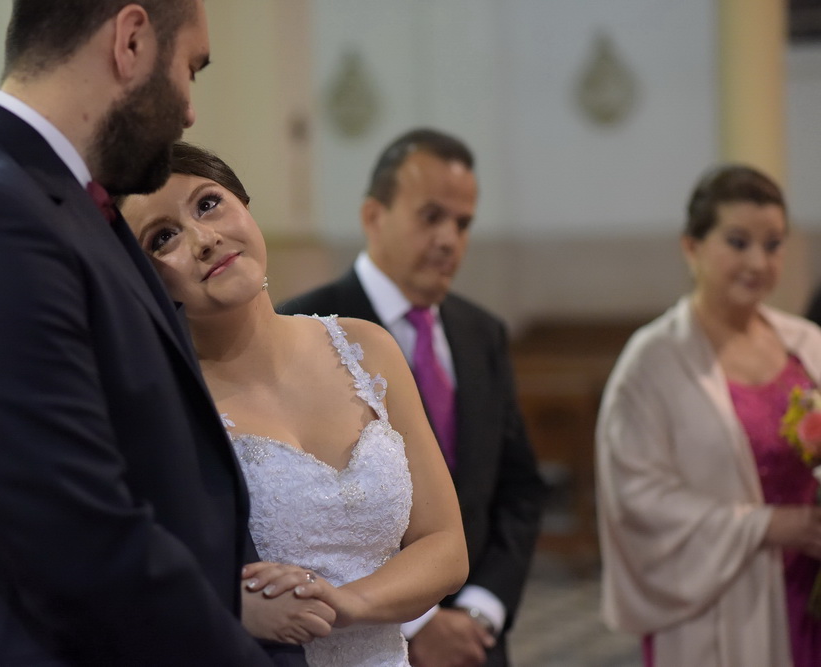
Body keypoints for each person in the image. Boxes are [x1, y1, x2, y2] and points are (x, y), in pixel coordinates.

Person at [0, 2, 331, 665]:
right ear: (130, 41)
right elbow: (82, 545)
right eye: (190, 68)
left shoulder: (65, 206)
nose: (189, 110)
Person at [118, 142, 469, 666]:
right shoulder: (167, 402)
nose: (205, 239)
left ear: (245, 205)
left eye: (208, 204)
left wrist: (348, 603)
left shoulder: (364, 347)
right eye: (163, 237)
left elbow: (444, 545)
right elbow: (137, 582)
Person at [279, 128, 545, 667]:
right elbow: (303, 516)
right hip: (360, 633)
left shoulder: (481, 332)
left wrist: (481, 611)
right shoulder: (303, 327)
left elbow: (517, 490)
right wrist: (419, 622)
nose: (449, 239)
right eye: (431, 217)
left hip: (477, 645)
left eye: (463, 223)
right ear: (374, 216)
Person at [596, 164, 821, 667]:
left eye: (774, 244)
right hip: (715, 601)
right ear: (691, 247)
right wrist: (765, 526)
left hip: (810, 591)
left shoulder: (808, 345)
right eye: (738, 242)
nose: (758, 262)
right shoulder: (651, 363)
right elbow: (636, 498)